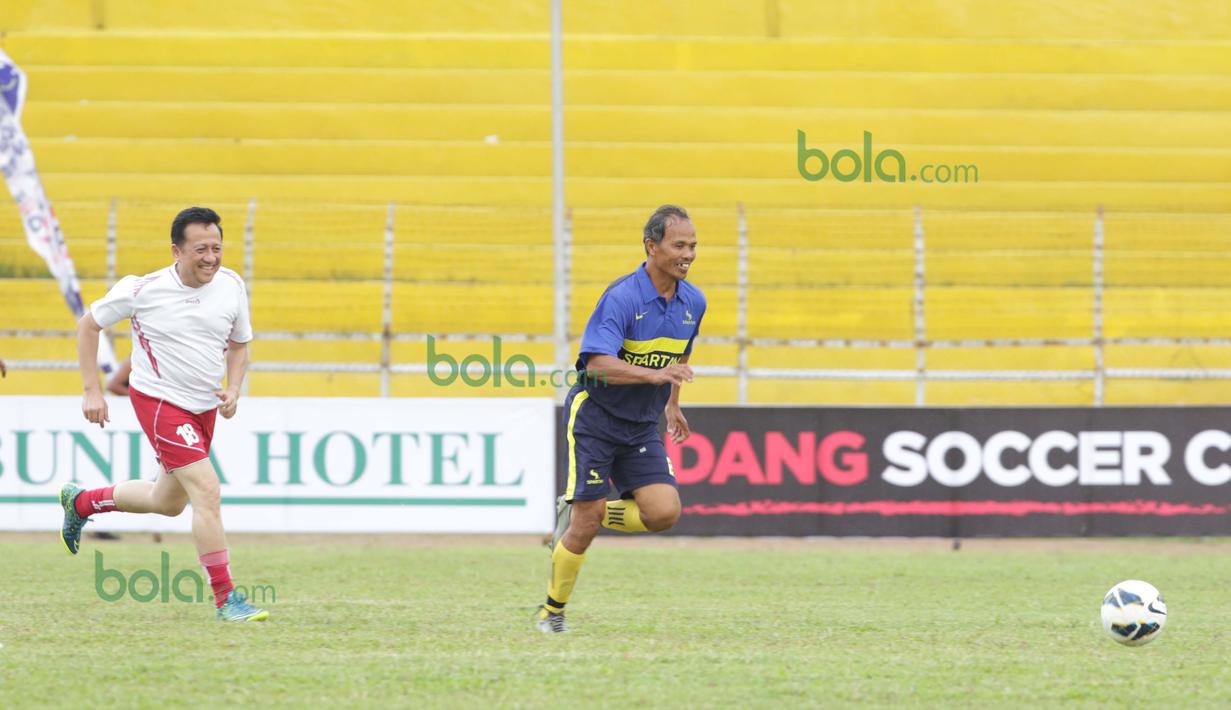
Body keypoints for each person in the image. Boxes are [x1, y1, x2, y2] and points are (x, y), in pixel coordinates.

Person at [62, 206, 268, 622]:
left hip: (204, 407)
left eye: (217, 248)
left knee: (167, 502)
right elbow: (88, 325)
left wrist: (233, 389)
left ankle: (81, 503)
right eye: (200, 249)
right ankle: (227, 599)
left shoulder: (231, 284)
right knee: (207, 491)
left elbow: (240, 343)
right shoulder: (143, 290)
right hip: (159, 402)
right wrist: (91, 390)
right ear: (176, 251)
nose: (211, 257)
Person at [536, 204, 705, 633]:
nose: (688, 254)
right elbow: (594, 365)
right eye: (678, 245)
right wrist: (655, 375)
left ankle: (580, 508)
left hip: (642, 425)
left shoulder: (694, 302)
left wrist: (672, 402)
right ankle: (551, 613)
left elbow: (679, 355)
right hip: (595, 417)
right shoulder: (623, 297)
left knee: (664, 513)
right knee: (586, 526)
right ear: (652, 246)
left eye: (693, 246)